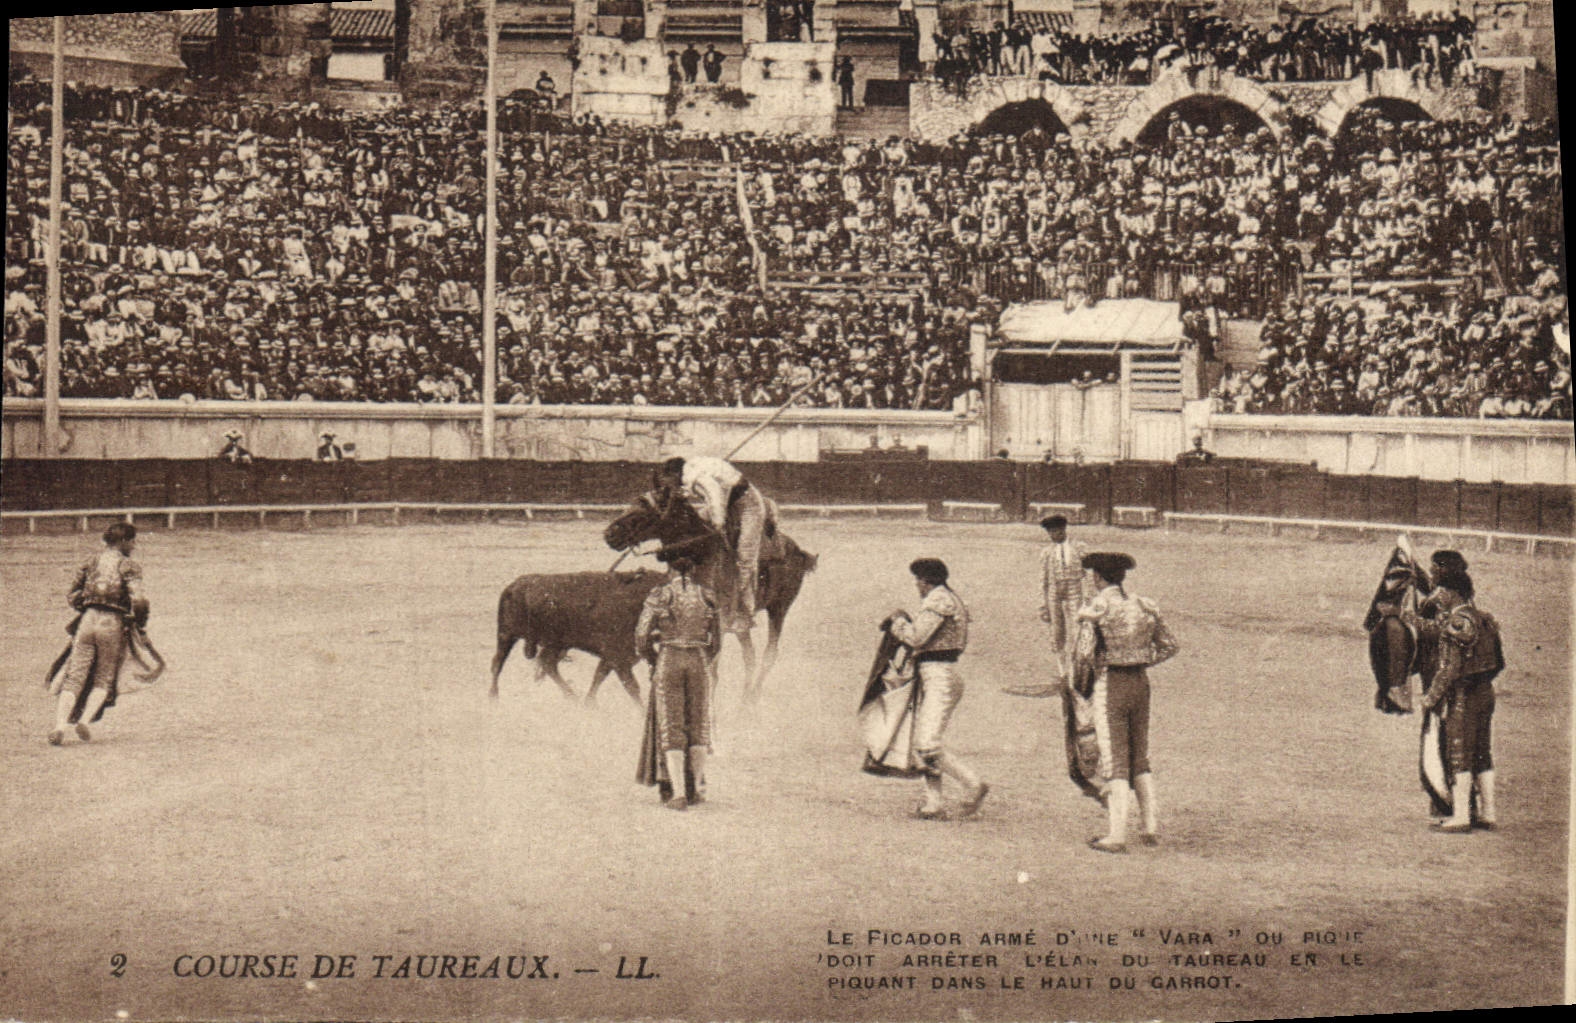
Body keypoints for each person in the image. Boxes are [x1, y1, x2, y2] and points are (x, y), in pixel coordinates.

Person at [1077, 552, 1178, 853]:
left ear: (1097, 578)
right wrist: (1141, 659)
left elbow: (1084, 654)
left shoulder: (1096, 607)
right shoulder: (1144, 605)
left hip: (1112, 685)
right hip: (1140, 684)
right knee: (1139, 756)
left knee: (1115, 760)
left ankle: (1117, 836)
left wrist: (1105, 662)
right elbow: (1171, 646)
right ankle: (1149, 827)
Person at [1404, 550, 1503, 832]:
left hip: (1463, 695)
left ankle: (1460, 817)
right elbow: (1496, 661)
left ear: (1452, 592)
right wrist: (1410, 618)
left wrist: (1430, 698)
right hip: (1485, 692)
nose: (1439, 595)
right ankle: (1488, 813)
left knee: (1459, 752)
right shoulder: (1483, 618)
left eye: (1443, 590)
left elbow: (1448, 669)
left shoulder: (1456, 623)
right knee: (1483, 753)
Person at [886, 558, 989, 820]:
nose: (916, 586)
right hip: (933, 675)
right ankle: (933, 804)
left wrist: (897, 623)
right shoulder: (947, 598)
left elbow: (917, 638)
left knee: (927, 744)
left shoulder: (938, 600)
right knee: (923, 741)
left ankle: (973, 784)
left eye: (918, 581)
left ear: (926, 581)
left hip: (939, 677)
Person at [635, 550, 721, 811]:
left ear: (670, 570)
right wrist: (702, 655)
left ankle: (679, 794)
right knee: (698, 725)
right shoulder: (707, 595)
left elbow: (641, 636)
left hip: (670, 659)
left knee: (671, 726)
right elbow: (716, 643)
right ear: (693, 570)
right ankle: (696, 789)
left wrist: (653, 660)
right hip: (698, 660)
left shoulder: (660, 595)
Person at [49, 523, 147, 745]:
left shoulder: (91, 561)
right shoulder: (128, 566)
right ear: (123, 542)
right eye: (132, 541)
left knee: (75, 675)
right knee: (104, 677)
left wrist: (85, 607)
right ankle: (84, 720)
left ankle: (60, 726)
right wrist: (139, 624)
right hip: (112, 623)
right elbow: (139, 600)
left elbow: (73, 594)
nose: (134, 545)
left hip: (87, 621)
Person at [656, 455, 774, 620]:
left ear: (675, 473)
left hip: (749, 505)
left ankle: (746, 606)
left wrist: (718, 523)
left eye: (668, 479)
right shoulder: (691, 471)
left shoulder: (696, 477)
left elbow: (716, 495)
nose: (668, 484)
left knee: (745, 555)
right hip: (728, 502)